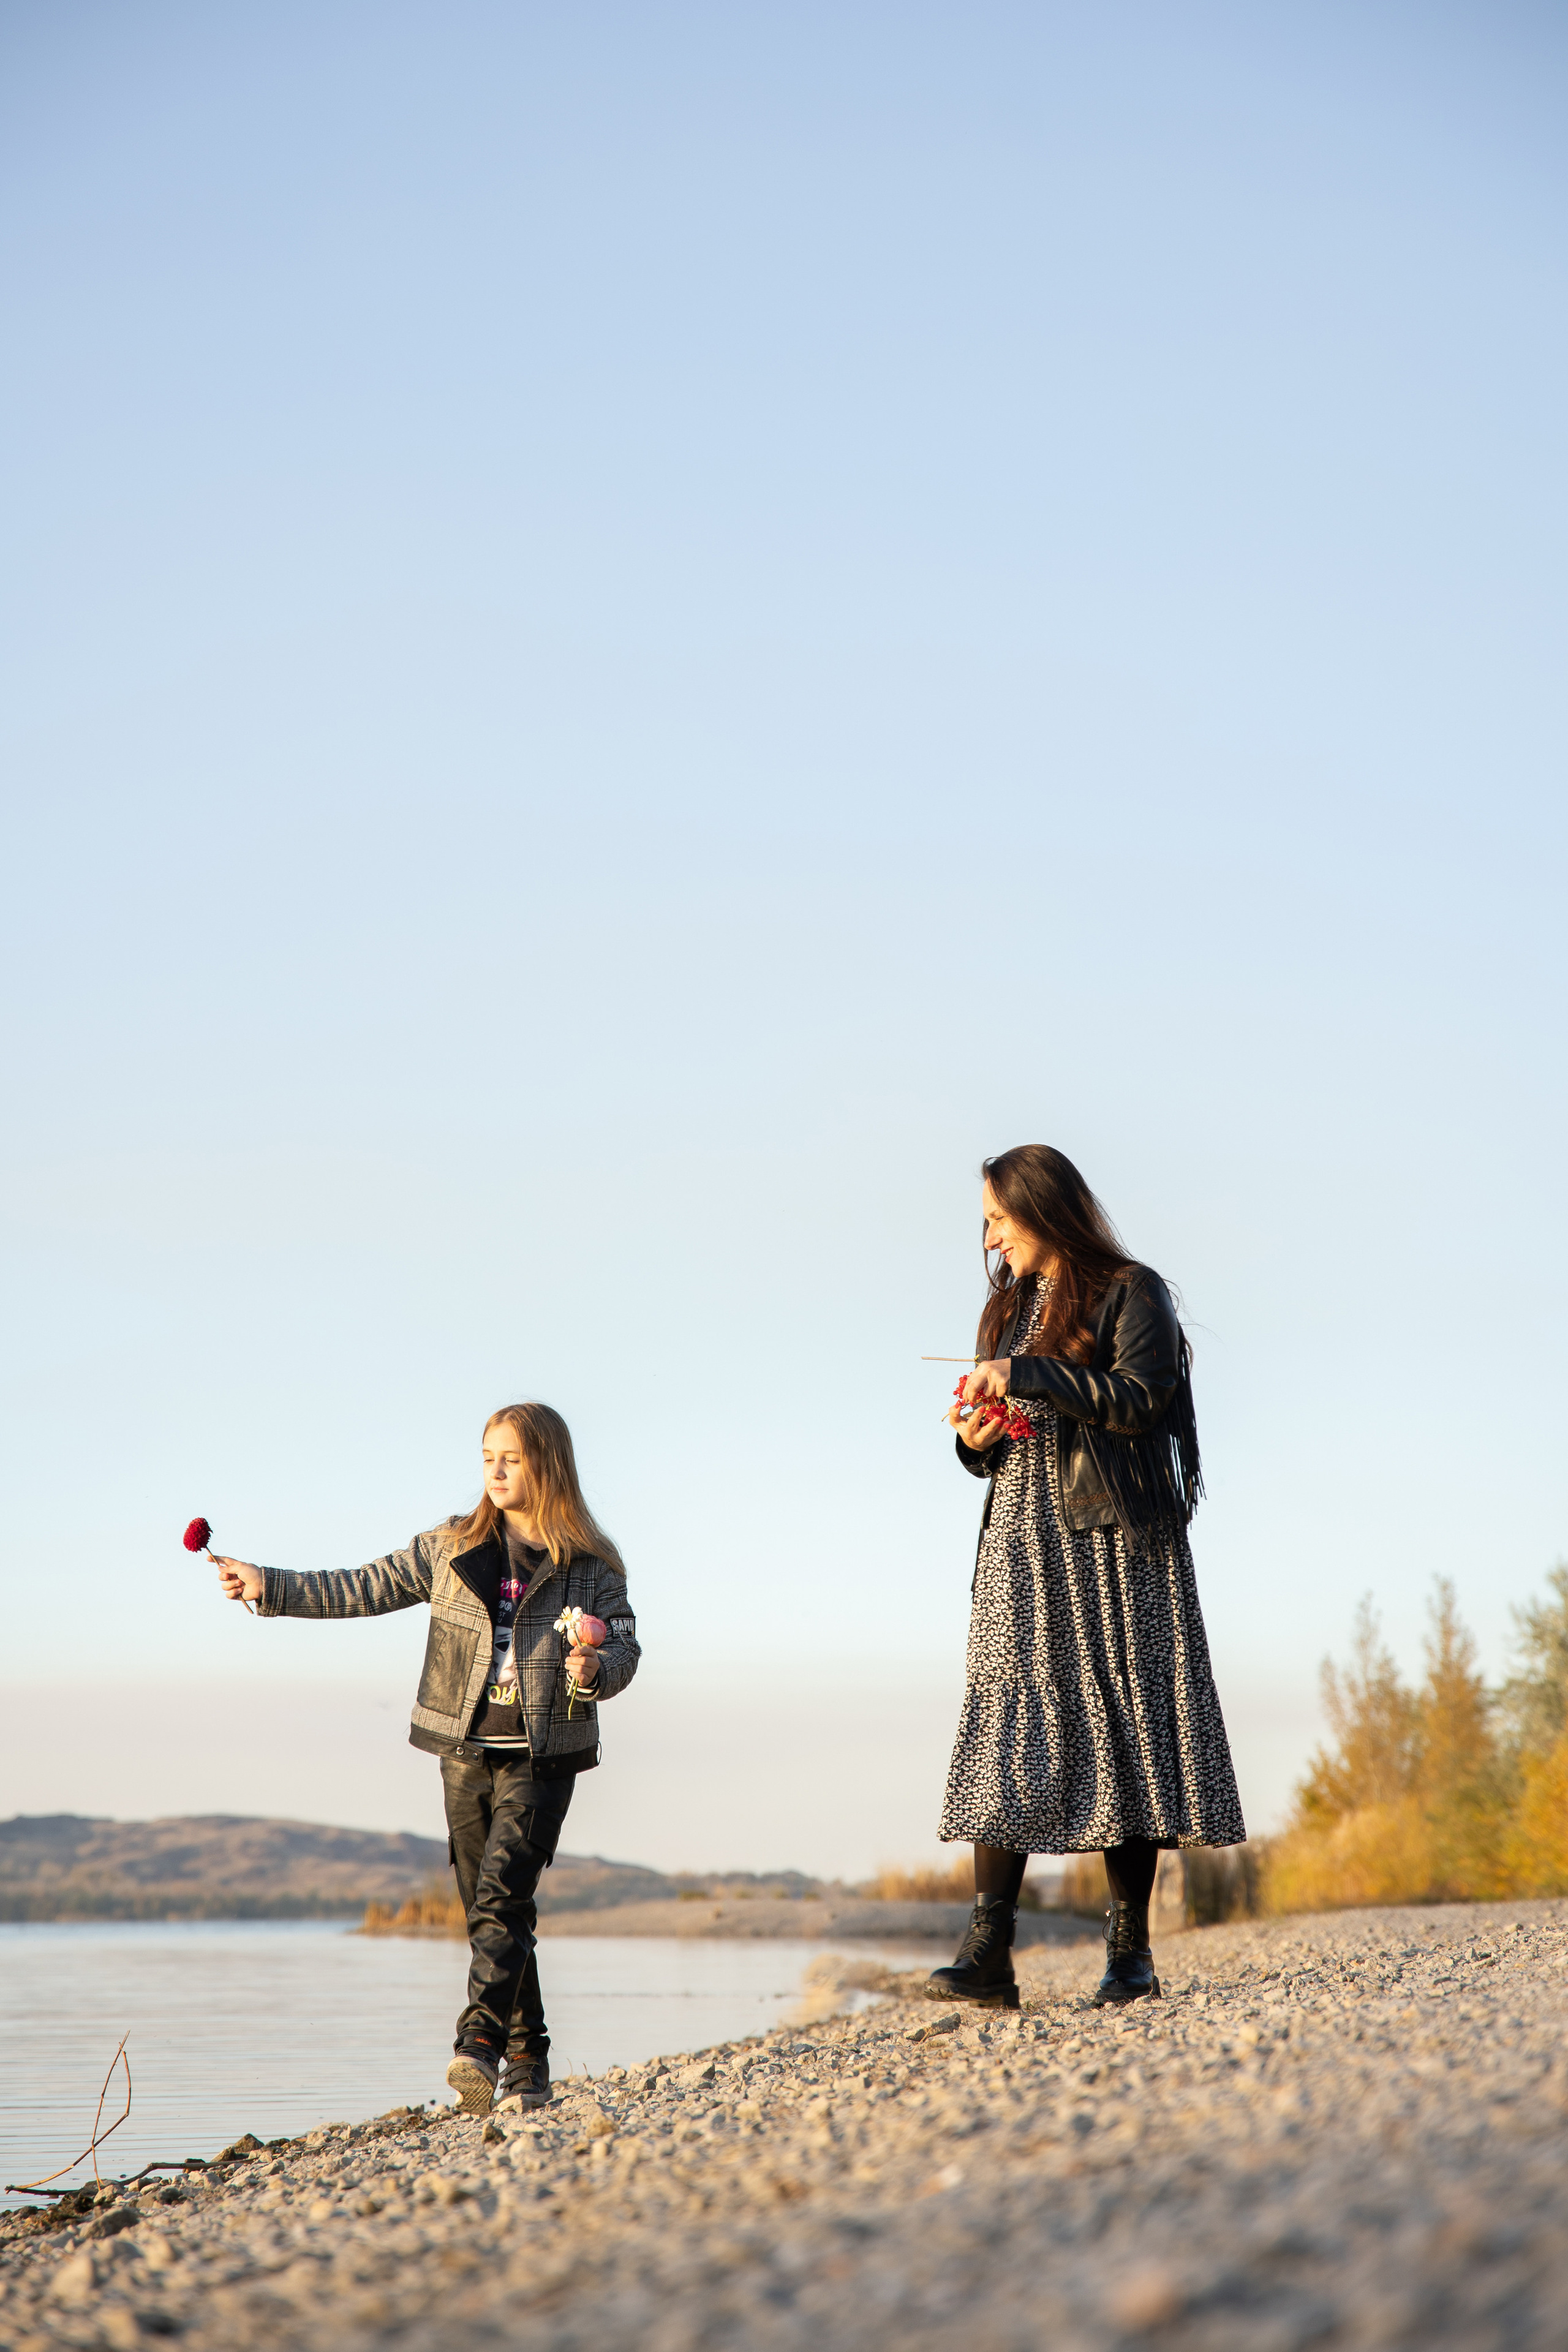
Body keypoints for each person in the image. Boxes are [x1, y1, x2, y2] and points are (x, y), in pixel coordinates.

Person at [212, 1401, 639, 2115]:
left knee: (503, 1893)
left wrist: (594, 1668)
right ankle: (528, 2061)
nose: (497, 1471)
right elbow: (364, 1586)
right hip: (461, 1747)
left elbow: (625, 1648)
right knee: (490, 1908)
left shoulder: (592, 1568)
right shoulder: (451, 1545)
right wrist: (271, 1587)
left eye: (512, 1458)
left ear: (549, 1465)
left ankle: (478, 2045)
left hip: (547, 1751)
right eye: (487, 1458)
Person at [932, 1146, 1244, 2010]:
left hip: (1112, 1537)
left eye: (999, 1216)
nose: (990, 1235)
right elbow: (989, 1446)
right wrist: (976, 1434)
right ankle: (988, 1952)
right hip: (1021, 1541)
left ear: (1043, 1208)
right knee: (1006, 1722)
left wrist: (1027, 1375)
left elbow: (1142, 1398)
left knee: (1124, 1723)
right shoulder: (1007, 1308)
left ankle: (1130, 1955)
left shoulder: (1129, 1289)